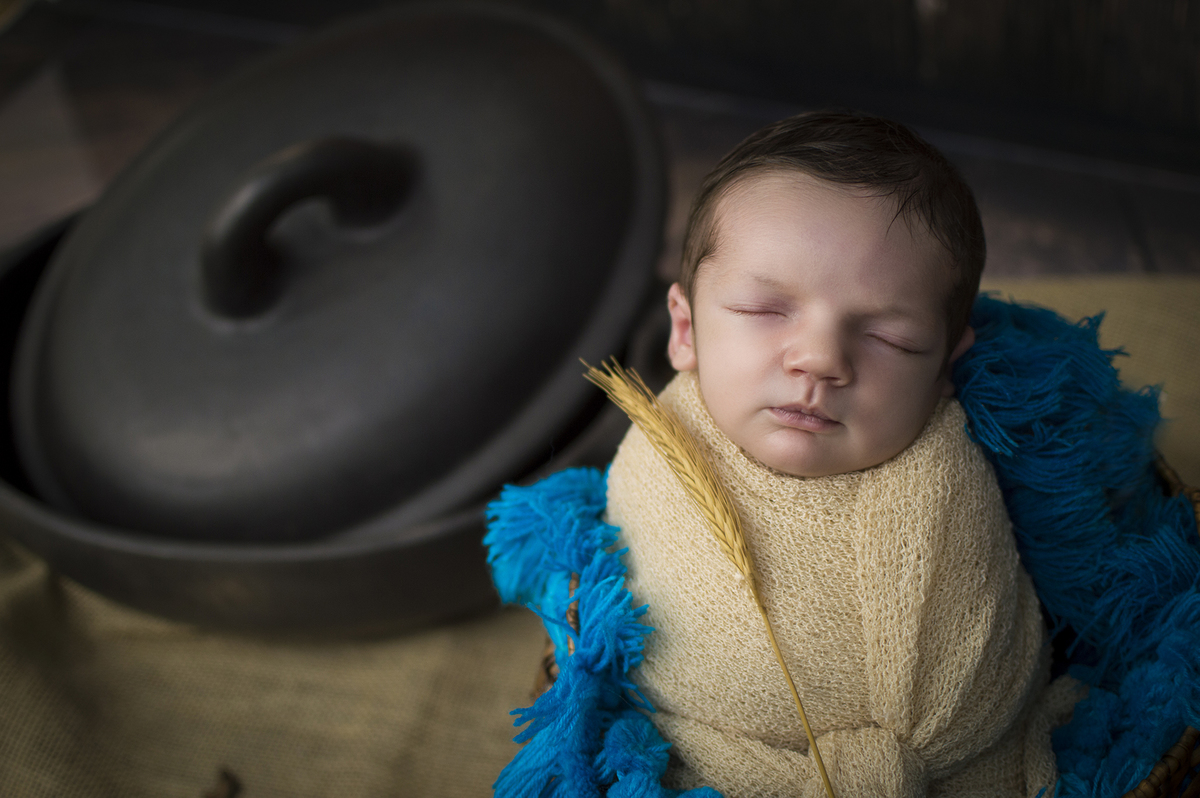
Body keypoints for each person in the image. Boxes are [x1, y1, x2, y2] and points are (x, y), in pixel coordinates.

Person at [604, 110, 1073, 797]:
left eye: (889, 339)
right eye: (765, 310)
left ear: (945, 366)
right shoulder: (662, 452)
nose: (821, 359)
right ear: (686, 332)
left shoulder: (954, 474)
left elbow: (997, 668)